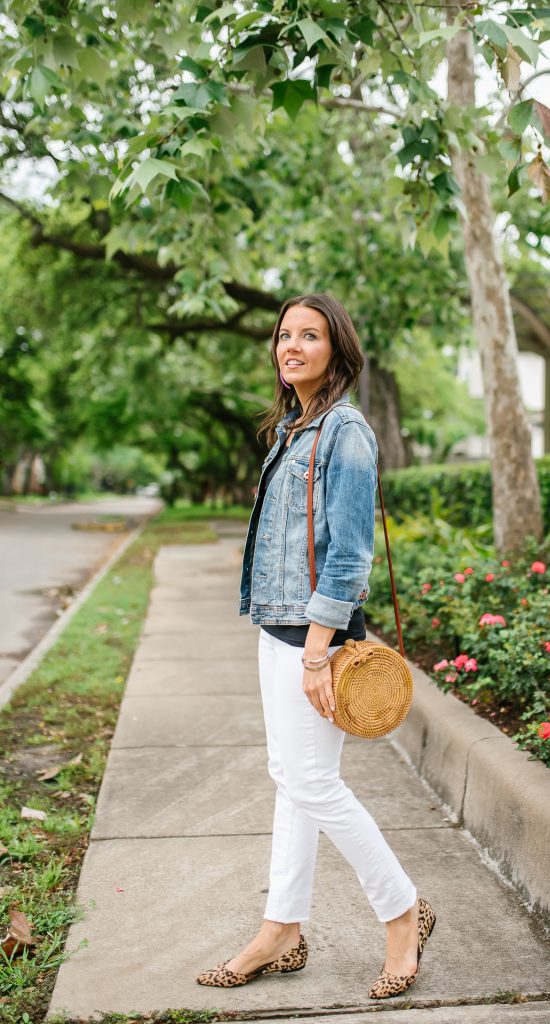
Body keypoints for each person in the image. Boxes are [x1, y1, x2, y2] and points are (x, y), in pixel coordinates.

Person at [196, 293, 435, 999]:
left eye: (310, 335)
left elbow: (350, 556)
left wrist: (315, 651)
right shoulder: (290, 432)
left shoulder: (345, 432)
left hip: (315, 639)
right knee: (291, 778)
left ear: (338, 351)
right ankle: (282, 929)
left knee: (312, 783)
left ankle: (401, 911)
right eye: (284, 335)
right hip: (276, 628)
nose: (291, 346)